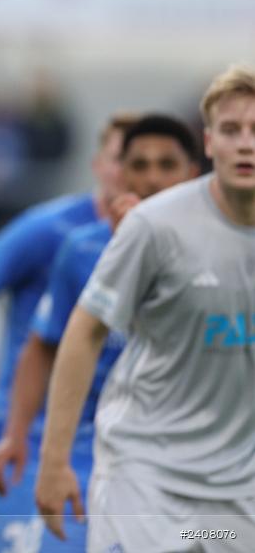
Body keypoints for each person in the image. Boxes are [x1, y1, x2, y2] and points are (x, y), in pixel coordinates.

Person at [36, 64, 255, 552]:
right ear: (210, 143)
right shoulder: (156, 226)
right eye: (231, 130)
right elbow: (84, 329)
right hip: (146, 469)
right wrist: (54, 462)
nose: (246, 143)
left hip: (238, 485)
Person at [0, 114, 200, 552]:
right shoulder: (81, 248)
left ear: (192, 173)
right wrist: (19, 434)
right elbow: (44, 345)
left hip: (190, 460)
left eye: (167, 164)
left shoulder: (219, 248)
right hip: (90, 450)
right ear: (118, 172)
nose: (152, 178)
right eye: (139, 165)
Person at [0, 113, 135, 553]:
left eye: (145, 161)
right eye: (122, 159)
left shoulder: (163, 240)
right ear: (100, 163)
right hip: (25, 437)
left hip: (117, 438)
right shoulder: (53, 230)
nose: (131, 172)